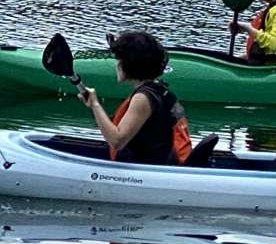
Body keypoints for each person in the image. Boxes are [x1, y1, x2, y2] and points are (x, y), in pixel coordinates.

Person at [77, 30, 193, 164]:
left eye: (119, 60)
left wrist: (95, 104)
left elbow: (117, 141)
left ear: (129, 63)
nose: (117, 65)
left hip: (149, 172)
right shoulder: (160, 90)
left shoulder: (143, 98)